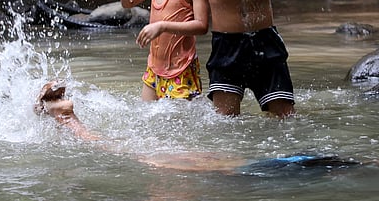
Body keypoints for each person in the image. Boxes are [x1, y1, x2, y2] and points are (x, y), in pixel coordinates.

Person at [34, 80, 362, 173]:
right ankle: (67, 119)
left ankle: (67, 119)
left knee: (142, 153)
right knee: (142, 154)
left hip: (264, 167)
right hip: (263, 168)